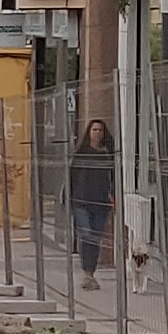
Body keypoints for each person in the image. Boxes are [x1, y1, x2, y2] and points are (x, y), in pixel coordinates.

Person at [69, 115, 119, 276]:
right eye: (94, 130)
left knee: (96, 238)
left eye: (100, 130)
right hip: (81, 202)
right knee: (86, 235)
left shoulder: (107, 155)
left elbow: (113, 178)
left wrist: (113, 196)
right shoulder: (81, 153)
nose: (97, 133)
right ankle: (87, 272)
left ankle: (91, 271)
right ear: (89, 132)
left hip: (101, 202)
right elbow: (72, 176)